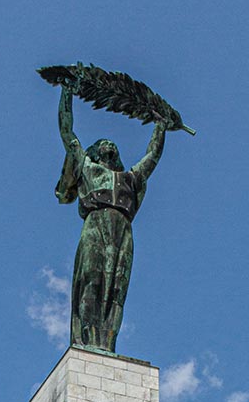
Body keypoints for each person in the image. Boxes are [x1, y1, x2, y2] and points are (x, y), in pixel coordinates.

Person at [54, 72, 172, 352]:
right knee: (92, 283)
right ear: (95, 152)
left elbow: (152, 158)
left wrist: (161, 126)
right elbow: (67, 133)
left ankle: (108, 344)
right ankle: (86, 341)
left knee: (116, 288)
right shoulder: (87, 167)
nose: (109, 143)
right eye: (103, 142)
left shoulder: (130, 178)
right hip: (96, 224)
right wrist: (66, 94)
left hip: (122, 229)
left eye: (113, 143)